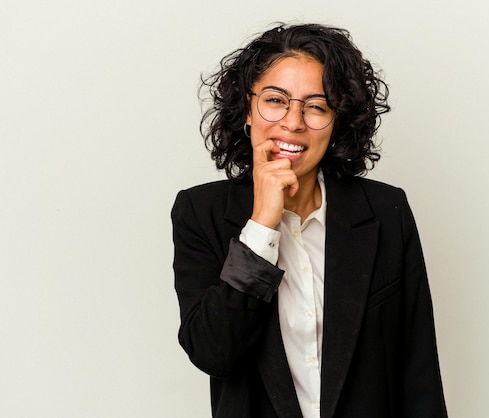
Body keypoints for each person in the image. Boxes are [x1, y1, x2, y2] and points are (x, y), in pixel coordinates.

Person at [171, 23, 447, 418]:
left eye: (315, 106)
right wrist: (263, 226)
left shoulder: (387, 212)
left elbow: (419, 372)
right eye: (275, 100)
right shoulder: (201, 213)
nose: (293, 122)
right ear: (247, 111)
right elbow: (213, 352)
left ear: (337, 121)